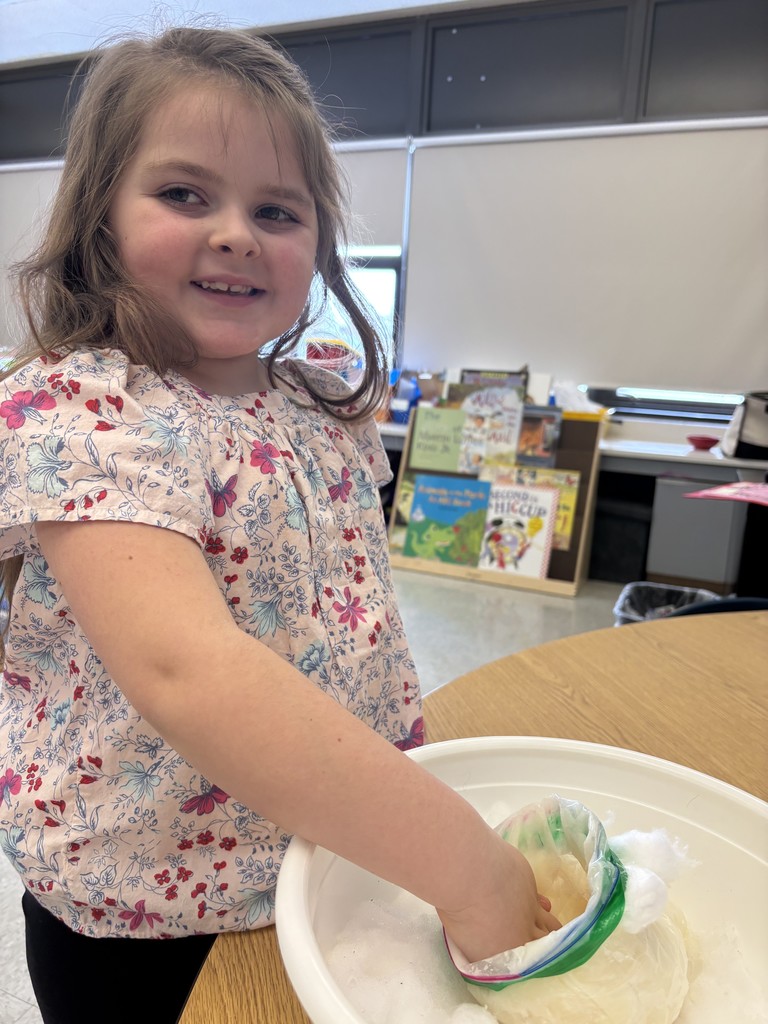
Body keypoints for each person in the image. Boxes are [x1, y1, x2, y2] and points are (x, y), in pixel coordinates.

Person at [0, 26, 558, 1023]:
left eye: (276, 210)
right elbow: (191, 672)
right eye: (184, 195)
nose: (235, 232)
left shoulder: (320, 400)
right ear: (99, 219)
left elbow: (340, 609)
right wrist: (471, 869)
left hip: (332, 852)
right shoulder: (91, 410)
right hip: (149, 913)